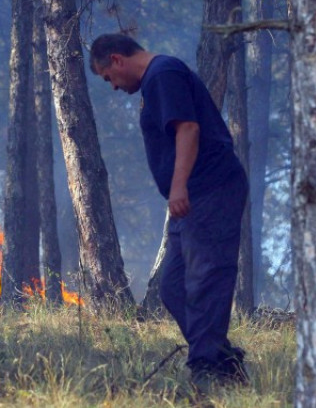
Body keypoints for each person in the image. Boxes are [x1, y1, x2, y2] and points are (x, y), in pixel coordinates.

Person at [89, 34, 249, 387]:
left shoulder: (162, 74)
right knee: (174, 284)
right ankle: (223, 360)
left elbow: (188, 129)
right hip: (192, 198)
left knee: (206, 276)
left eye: (108, 78)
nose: (113, 87)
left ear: (117, 60)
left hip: (210, 188)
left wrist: (178, 187)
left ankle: (208, 369)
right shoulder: (157, 79)